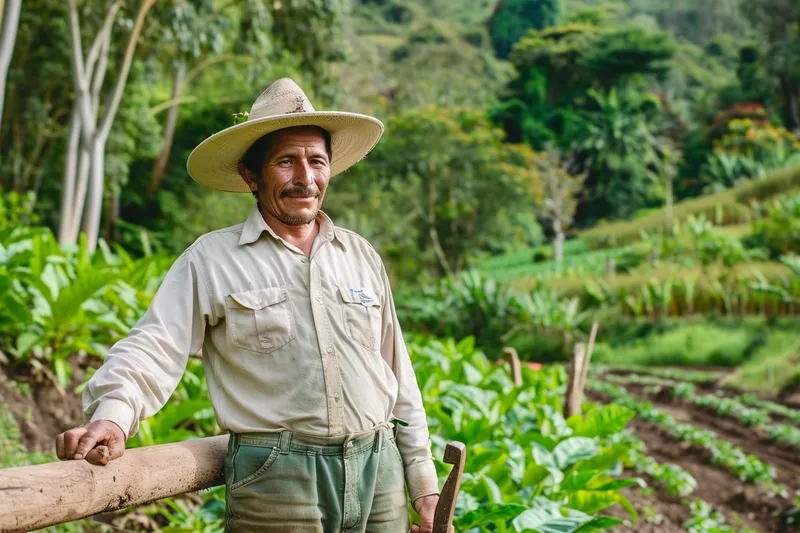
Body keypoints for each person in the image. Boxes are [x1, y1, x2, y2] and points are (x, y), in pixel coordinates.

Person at [55, 78, 441, 533]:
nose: (305, 177)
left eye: (317, 161)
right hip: (277, 477)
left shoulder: (360, 255)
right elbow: (155, 344)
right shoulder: (212, 259)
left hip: (381, 473)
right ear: (250, 175)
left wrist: (424, 484)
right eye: (285, 162)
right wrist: (114, 418)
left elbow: (398, 375)